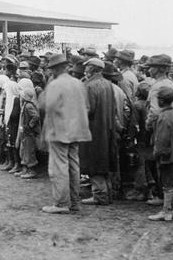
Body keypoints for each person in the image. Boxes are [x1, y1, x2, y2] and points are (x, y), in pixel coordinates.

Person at [41, 54, 91, 214]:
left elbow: (45, 105)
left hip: (59, 130)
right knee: (74, 166)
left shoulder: (56, 84)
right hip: (77, 130)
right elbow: (87, 106)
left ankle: (61, 203)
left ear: (55, 69)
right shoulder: (79, 83)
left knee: (58, 167)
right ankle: (74, 202)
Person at [80, 58, 117, 206]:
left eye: (87, 68)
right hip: (107, 128)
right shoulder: (108, 84)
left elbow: (88, 109)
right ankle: (107, 193)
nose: (85, 71)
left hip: (93, 130)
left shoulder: (89, 86)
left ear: (92, 69)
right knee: (104, 161)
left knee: (94, 162)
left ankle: (100, 195)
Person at [148, 86, 173, 221]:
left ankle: (166, 211)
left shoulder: (163, 117)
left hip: (168, 157)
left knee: (167, 184)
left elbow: (162, 140)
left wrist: (157, 154)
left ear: (161, 101)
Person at [16, 85, 40, 179]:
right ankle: (25, 168)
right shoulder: (25, 105)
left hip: (29, 132)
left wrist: (30, 125)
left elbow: (36, 116)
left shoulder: (29, 105)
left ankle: (32, 170)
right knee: (24, 150)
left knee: (29, 151)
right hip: (25, 132)